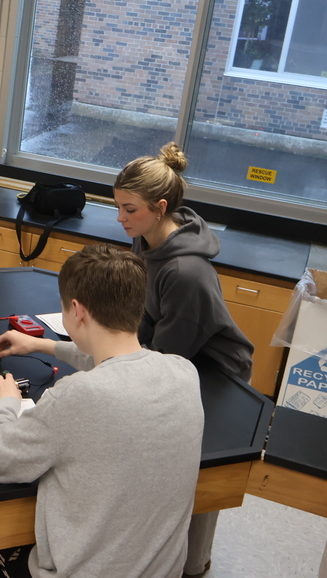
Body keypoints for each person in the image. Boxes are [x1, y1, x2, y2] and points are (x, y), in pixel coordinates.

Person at [0, 244, 204, 578]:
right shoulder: (183, 372)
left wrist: (6, 403)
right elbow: (120, 360)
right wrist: (44, 345)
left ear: (78, 311)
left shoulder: (78, 395)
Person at [113, 142, 254, 576]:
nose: (120, 218)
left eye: (129, 209)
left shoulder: (186, 272)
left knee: (198, 467)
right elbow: (144, 317)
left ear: (159, 207)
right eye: (117, 206)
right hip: (177, 356)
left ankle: (195, 565)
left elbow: (167, 358)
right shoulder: (148, 241)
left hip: (214, 376)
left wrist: (116, 366)